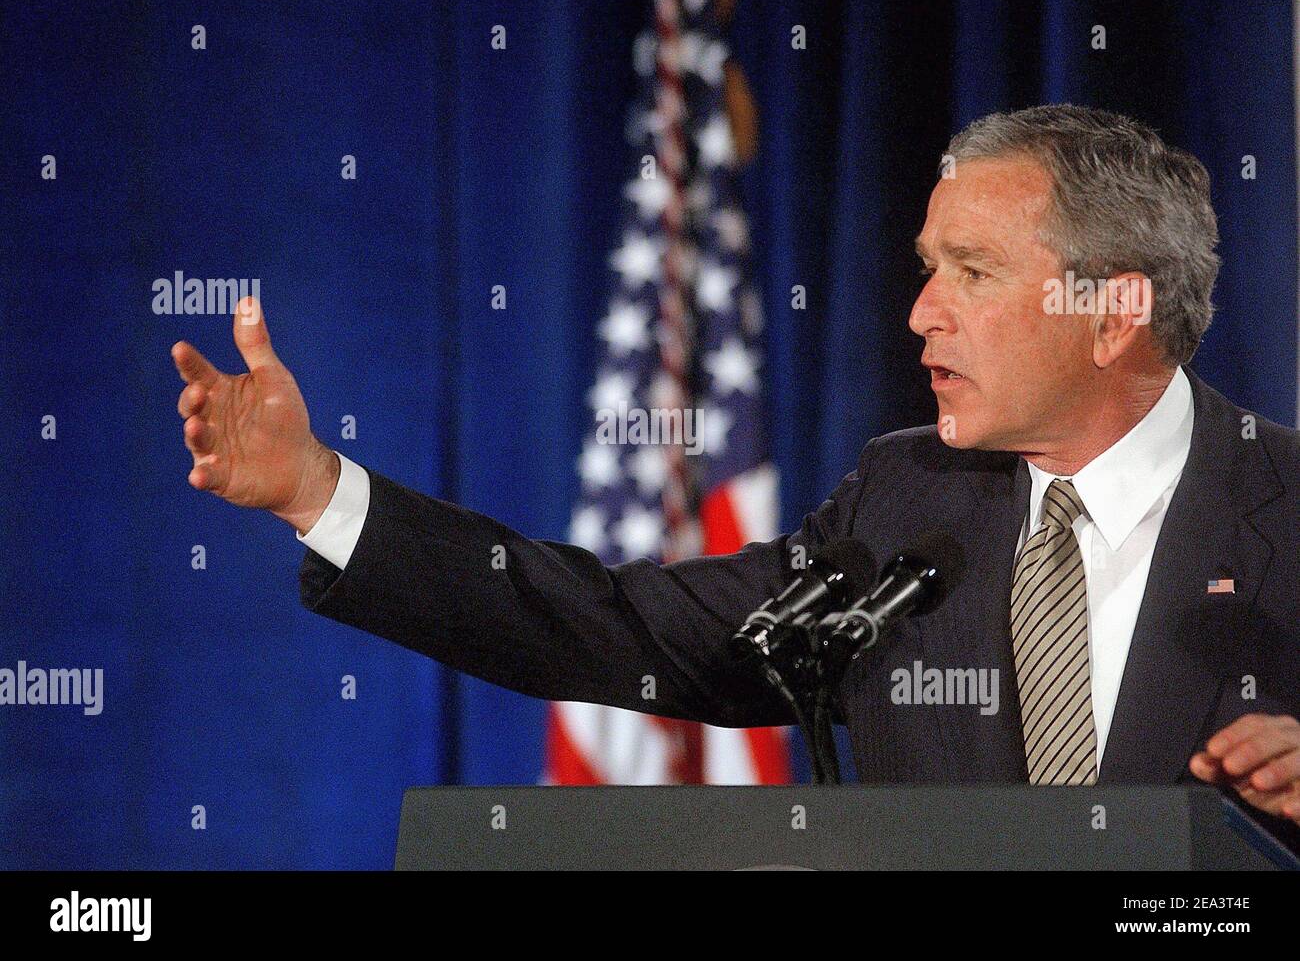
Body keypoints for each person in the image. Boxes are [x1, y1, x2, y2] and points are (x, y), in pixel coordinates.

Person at [171, 105, 1300, 828]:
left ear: (1111, 313)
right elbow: (625, 626)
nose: (919, 314)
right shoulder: (909, 501)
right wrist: (320, 491)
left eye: (971, 271)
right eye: (924, 267)